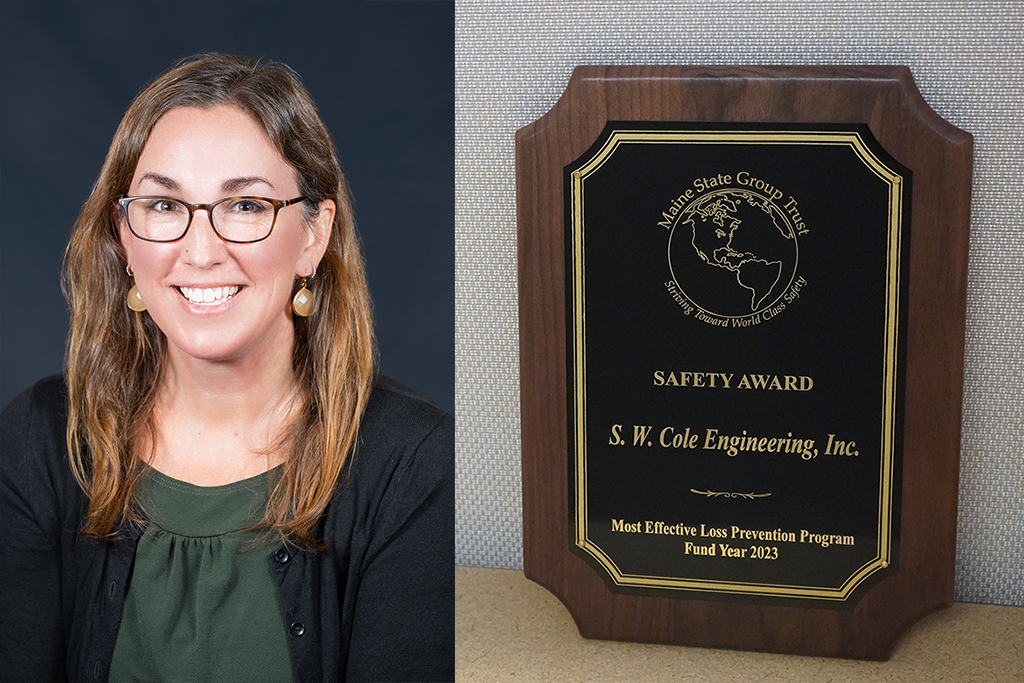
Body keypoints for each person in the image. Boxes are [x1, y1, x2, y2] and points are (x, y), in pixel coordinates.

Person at [0, 53, 454, 682]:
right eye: (164, 206)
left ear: (314, 236)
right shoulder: (38, 438)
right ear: (124, 237)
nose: (201, 251)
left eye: (245, 206)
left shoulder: (415, 461)